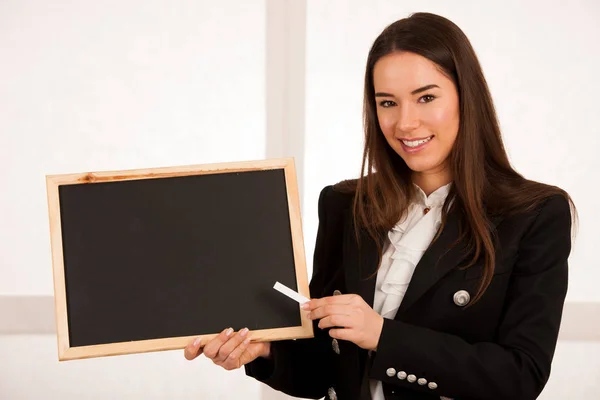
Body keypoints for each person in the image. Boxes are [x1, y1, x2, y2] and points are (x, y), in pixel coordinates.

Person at [184, 12, 575, 400]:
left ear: (466, 97)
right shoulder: (345, 204)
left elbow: (521, 377)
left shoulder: (535, 214)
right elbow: (322, 370)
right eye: (387, 102)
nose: (405, 123)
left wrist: (383, 336)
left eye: (426, 97)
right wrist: (264, 350)